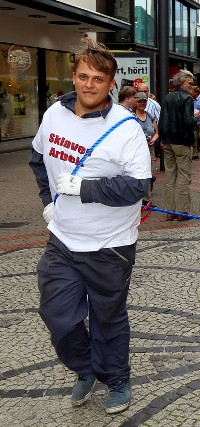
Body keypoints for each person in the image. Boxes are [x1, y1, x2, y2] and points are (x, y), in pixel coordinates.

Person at [28, 37, 151, 414]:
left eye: (99, 78)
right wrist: (49, 202)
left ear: (111, 84)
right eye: (83, 76)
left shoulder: (125, 128)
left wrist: (85, 187)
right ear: (74, 77)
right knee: (58, 317)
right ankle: (85, 368)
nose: (89, 84)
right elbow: (37, 159)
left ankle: (116, 378)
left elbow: (138, 186)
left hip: (109, 244)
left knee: (107, 317)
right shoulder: (53, 116)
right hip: (63, 239)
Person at [158, 69, 200, 221]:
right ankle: (182, 212)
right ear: (181, 82)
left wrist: (162, 138)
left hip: (168, 141)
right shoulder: (186, 99)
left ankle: (170, 211)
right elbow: (188, 122)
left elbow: (162, 119)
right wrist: (195, 117)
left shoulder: (168, 97)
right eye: (190, 83)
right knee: (183, 176)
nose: (191, 86)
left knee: (169, 177)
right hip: (182, 141)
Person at [134, 91, 159, 203]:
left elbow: (157, 132)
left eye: (144, 101)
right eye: (140, 101)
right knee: (135, 174)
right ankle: (136, 200)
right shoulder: (131, 116)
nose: (142, 103)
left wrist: (153, 139)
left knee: (147, 173)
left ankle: (146, 199)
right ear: (136, 101)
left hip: (149, 149)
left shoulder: (149, 116)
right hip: (135, 150)